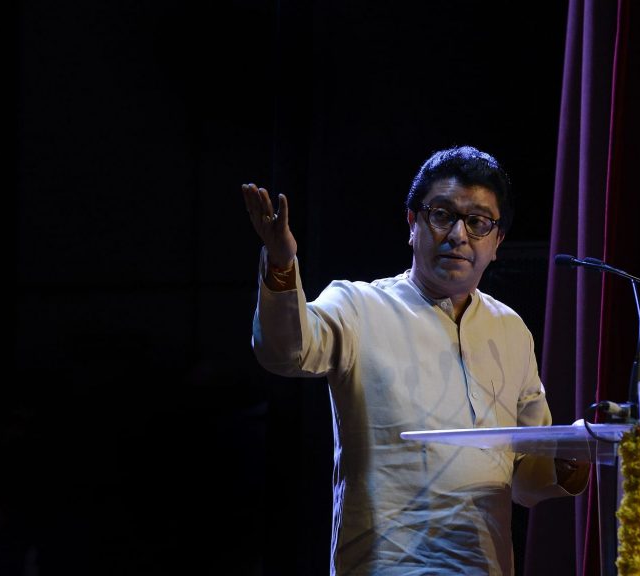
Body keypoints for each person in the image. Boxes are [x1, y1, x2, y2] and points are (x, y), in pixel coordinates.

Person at [242, 145, 590, 575]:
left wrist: (573, 455)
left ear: (497, 241)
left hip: (483, 564)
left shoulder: (510, 329)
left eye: (478, 222)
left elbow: (526, 475)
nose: (458, 235)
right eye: (442, 215)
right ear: (412, 223)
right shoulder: (357, 305)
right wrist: (281, 263)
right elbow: (285, 351)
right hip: (384, 564)